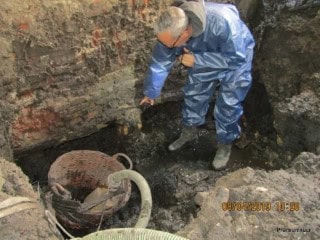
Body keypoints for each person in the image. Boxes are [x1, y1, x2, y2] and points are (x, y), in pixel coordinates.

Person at [139, 0, 255, 170]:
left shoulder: (223, 22)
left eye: (171, 45)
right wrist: (151, 92)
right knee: (195, 93)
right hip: (201, 55)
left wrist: (198, 60)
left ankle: (225, 144)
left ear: (186, 32)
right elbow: (160, 62)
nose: (168, 48)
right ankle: (189, 131)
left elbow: (237, 58)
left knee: (228, 104)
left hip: (235, 58)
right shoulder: (170, 31)